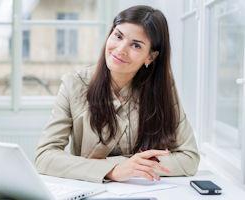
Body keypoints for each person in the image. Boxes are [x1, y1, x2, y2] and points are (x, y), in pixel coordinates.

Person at [35, 5, 200, 183]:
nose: (120, 49)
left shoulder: (162, 89)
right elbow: (44, 156)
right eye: (118, 36)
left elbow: (189, 158)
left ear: (150, 57)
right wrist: (113, 170)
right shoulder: (74, 84)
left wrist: (126, 166)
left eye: (136, 45)